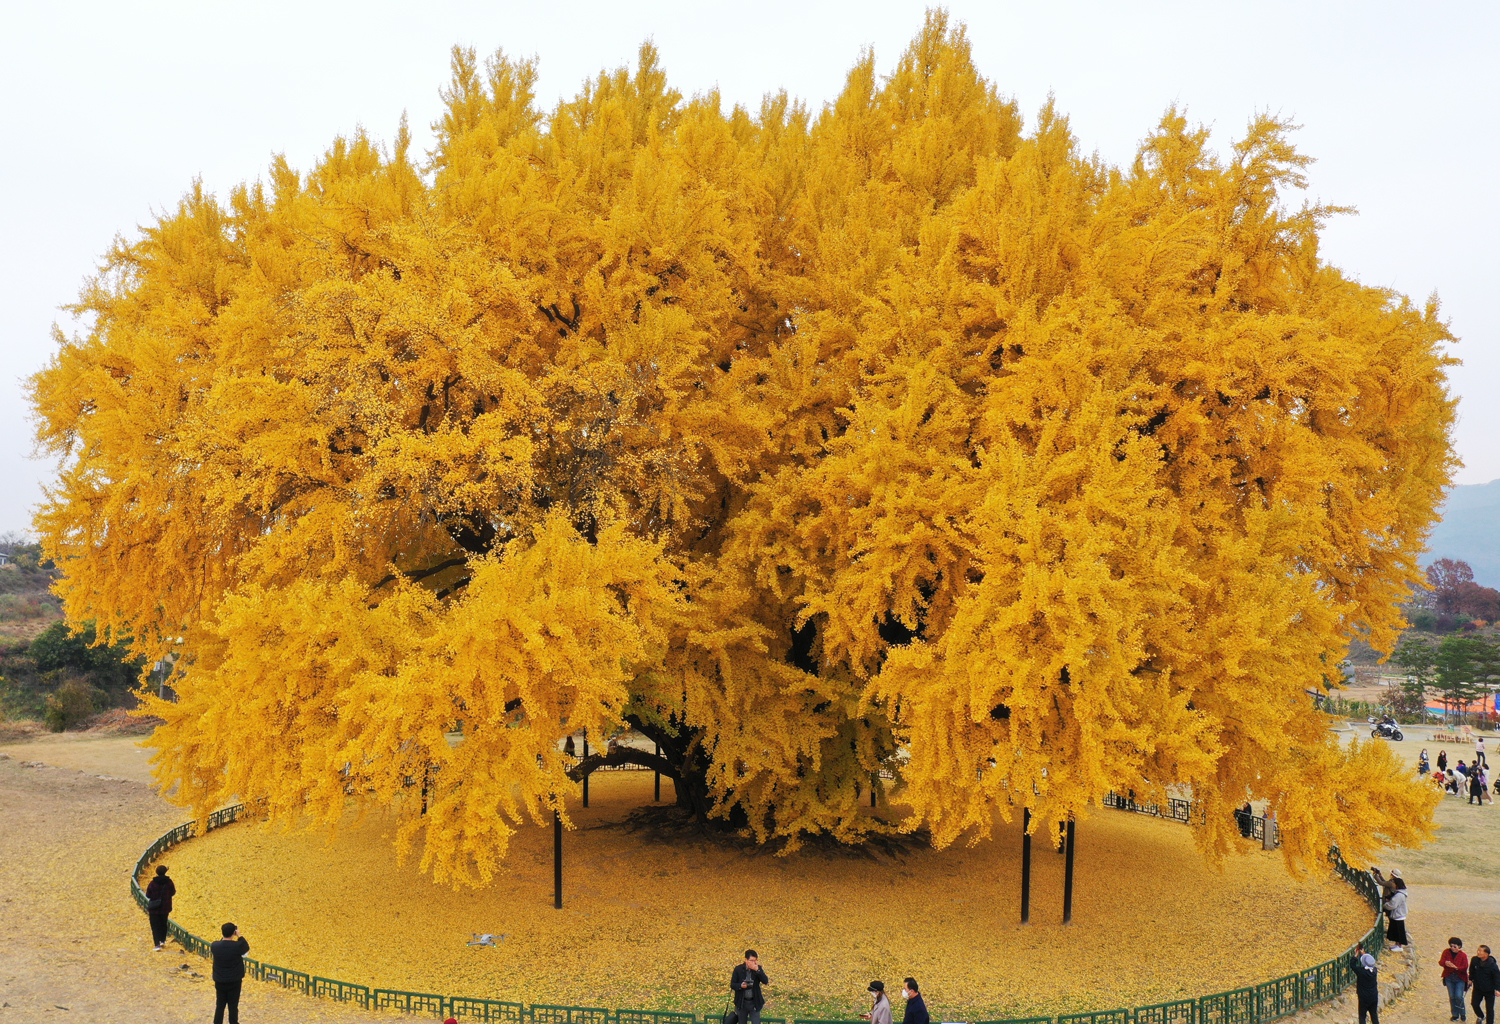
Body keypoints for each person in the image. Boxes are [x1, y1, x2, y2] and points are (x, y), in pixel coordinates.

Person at [210, 922, 250, 1024]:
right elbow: (246, 948)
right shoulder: (237, 947)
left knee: (220, 1005)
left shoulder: (215, 946)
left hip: (220, 981)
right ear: (234, 933)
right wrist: (239, 936)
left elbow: (221, 943)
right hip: (234, 981)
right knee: (233, 1006)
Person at [730, 950, 769, 1024]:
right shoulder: (738, 969)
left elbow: (765, 981)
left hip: (754, 1002)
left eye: (755, 960)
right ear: (746, 960)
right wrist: (741, 985)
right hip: (742, 1003)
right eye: (751, 960)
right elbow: (732, 984)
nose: (753, 963)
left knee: (756, 1022)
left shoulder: (758, 969)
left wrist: (757, 970)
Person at [144, 864, 175, 951]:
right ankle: (162, 940)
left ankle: (157, 944)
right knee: (163, 923)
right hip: (165, 907)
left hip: (154, 908)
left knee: (155, 926)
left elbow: (148, 895)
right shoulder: (169, 882)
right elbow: (173, 892)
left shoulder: (153, 883)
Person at [1441, 937, 1471, 1022]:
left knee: (1459, 996)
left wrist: (1456, 967)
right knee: (1452, 996)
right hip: (1449, 977)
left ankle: (1462, 1013)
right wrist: (1445, 963)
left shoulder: (1463, 955)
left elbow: (1465, 967)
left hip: (1460, 978)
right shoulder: (1446, 952)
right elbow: (1441, 962)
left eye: (1455, 947)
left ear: (1459, 947)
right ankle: (1455, 1014)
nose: (1453, 948)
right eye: (1451, 946)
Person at [1470, 944, 1499, 1024]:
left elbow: (1497, 978)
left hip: (1489, 990)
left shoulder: (1493, 966)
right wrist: (1470, 979)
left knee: (1489, 1009)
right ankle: (1481, 1016)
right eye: (1478, 950)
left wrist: (1498, 989)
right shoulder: (1475, 960)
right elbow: (1472, 970)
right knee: (1474, 1004)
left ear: (1486, 954)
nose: (1478, 952)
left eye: (1480, 951)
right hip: (1478, 988)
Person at [1352, 942, 1380, 1024]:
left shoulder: (1361, 972)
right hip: (1373, 996)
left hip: (1363, 998)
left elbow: (1352, 965)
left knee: (1362, 1017)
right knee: (1374, 1015)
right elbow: (1369, 962)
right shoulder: (1374, 971)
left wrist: (1356, 955)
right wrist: (1363, 953)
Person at [1383, 879, 1409, 952]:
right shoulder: (1400, 893)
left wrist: (1385, 905)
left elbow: (1392, 905)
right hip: (1398, 914)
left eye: (1394, 883)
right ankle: (1397, 944)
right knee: (1396, 931)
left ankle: (1399, 946)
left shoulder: (1399, 895)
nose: (1393, 885)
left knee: (1398, 932)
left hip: (1398, 915)